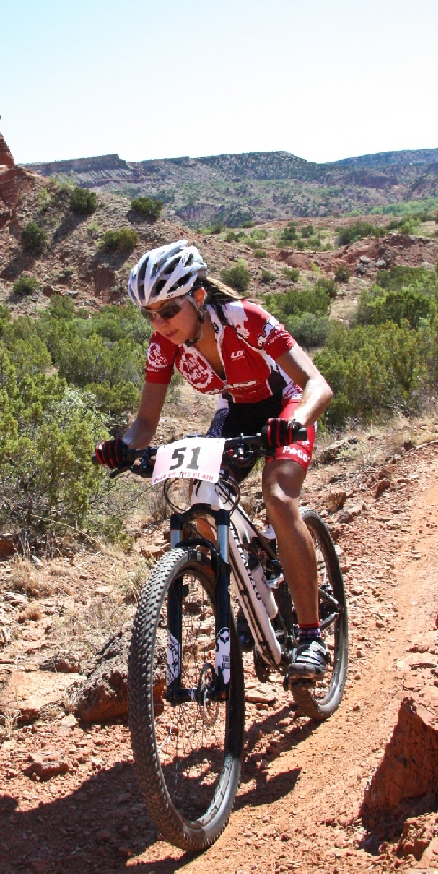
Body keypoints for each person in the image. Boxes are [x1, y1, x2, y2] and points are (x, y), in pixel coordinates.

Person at [95, 239, 334, 679]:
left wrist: (297, 421)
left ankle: (310, 636)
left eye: (169, 310)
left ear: (199, 296)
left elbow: (317, 385)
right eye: (150, 314)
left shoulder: (245, 318)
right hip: (236, 410)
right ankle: (257, 587)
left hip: (286, 404)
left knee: (279, 497)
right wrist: (123, 447)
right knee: (203, 500)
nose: (160, 323)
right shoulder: (163, 345)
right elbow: (144, 422)